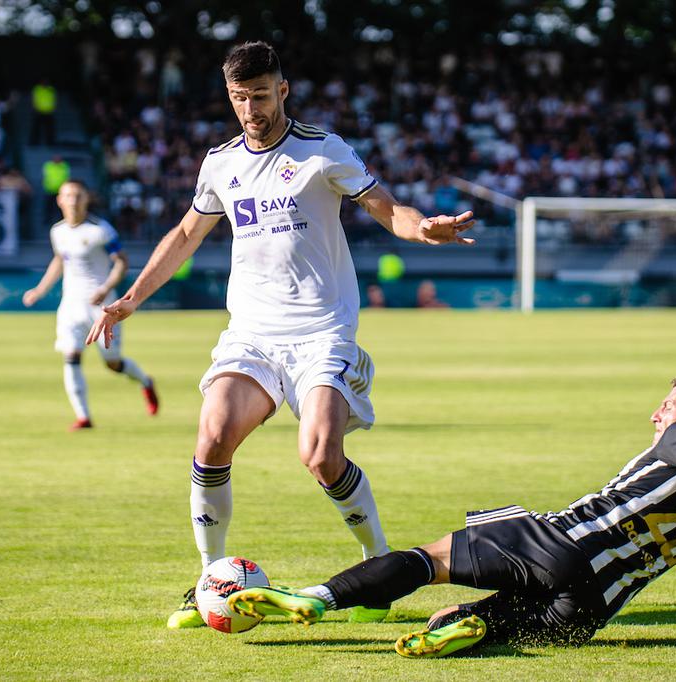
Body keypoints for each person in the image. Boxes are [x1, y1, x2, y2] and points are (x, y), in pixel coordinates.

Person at [85, 41, 475, 630]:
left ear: (283, 90)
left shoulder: (323, 150)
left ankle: (378, 572)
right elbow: (187, 233)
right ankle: (210, 579)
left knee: (320, 454)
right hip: (253, 334)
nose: (250, 109)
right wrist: (129, 300)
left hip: (322, 331)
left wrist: (423, 229)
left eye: (260, 96)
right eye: (239, 98)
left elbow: (382, 206)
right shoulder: (220, 162)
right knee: (212, 436)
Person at [232, 377, 676, 658]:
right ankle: (473, 626)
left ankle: (319, 598)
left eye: (666, 407)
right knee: (480, 620)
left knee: (428, 561)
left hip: (557, 541)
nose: (656, 417)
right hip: (592, 609)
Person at [24, 180, 158, 431]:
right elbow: (59, 261)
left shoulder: (101, 230)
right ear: (59, 200)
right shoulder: (58, 231)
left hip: (102, 306)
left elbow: (121, 262)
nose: (73, 200)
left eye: (78, 195)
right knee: (71, 356)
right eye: (68, 196)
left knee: (113, 363)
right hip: (71, 305)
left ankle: (145, 381)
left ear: (86, 199)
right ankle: (83, 417)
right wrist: (40, 290)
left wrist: (105, 288)